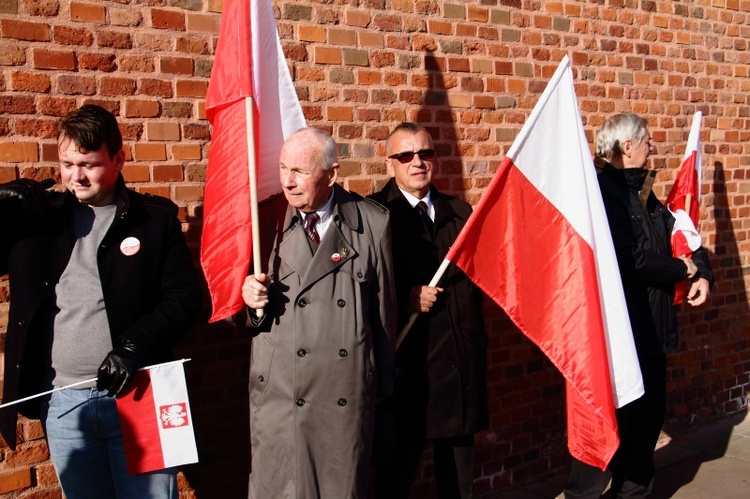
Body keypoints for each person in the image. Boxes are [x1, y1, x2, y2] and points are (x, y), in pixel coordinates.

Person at [0, 104, 202, 498]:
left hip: (140, 392)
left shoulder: (153, 220)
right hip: (63, 402)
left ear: (118, 160)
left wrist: (133, 346)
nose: (76, 176)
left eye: (88, 165)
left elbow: (184, 298)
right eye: (67, 163)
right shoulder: (43, 218)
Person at [240, 127, 396, 499]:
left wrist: (380, 389)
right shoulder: (266, 222)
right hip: (280, 393)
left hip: (342, 397)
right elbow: (245, 317)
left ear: (331, 174)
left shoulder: (373, 223)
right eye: (282, 168)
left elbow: (384, 317)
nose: (288, 182)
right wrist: (250, 303)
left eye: (300, 171)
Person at [564, 113, 713, 498]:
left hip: (652, 335)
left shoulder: (646, 196)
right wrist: (681, 268)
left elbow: (684, 235)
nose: (652, 147)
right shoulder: (604, 195)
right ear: (627, 147)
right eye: (647, 140)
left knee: (644, 434)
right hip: (619, 339)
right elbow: (632, 261)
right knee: (607, 437)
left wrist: (702, 274)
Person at [369, 122, 488, 499]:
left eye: (426, 153)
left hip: (457, 368)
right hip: (406, 373)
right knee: (394, 480)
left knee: (458, 485)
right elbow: (359, 292)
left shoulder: (459, 212)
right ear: (390, 165)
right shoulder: (373, 216)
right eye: (406, 155)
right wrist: (405, 297)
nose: (417, 162)